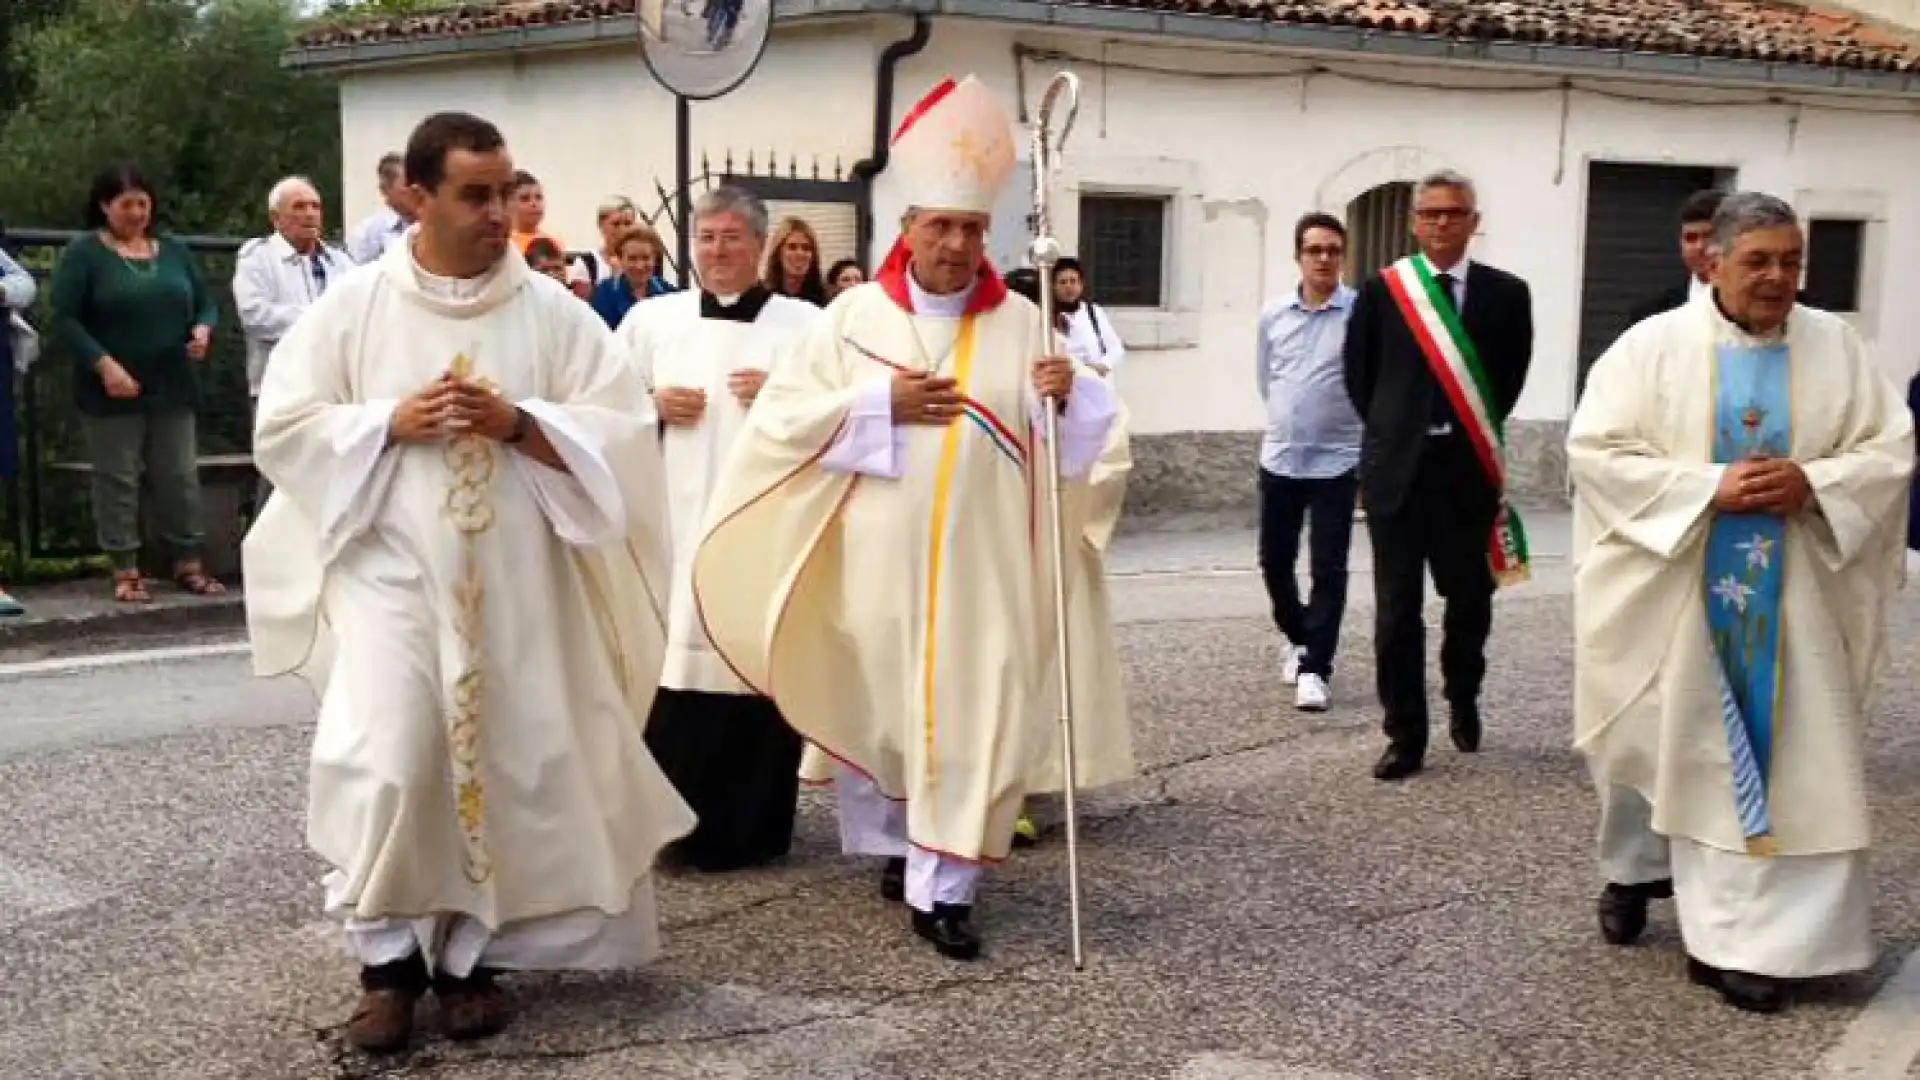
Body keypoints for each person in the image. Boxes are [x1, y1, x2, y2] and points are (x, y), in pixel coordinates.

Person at [242, 110, 695, 1053]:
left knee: (500, 761)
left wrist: (521, 423)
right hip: (390, 578)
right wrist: (386, 424)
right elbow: (283, 427)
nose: (499, 214)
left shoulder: (553, 313)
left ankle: (468, 963)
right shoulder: (353, 307)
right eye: (475, 195)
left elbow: (619, 429)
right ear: (416, 195)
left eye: (505, 191)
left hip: (519, 581)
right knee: (395, 755)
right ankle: (385, 965)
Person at [690, 74, 1127, 961]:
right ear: (909, 228)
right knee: (888, 713)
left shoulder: (1024, 324)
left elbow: (1086, 447)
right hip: (875, 566)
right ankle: (905, 847)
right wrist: (881, 402)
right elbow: (782, 425)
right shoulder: (851, 318)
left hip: (987, 571)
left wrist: (1067, 393)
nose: (958, 244)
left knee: (979, 711)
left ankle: (948, 889)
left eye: (971, 229)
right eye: (941, 226)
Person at [1568, 191, 1912, 1015]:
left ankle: (1760, 944)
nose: (1778, 277)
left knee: (1789, 759)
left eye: (1791, 260)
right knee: (1676, 749)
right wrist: (1706, 487)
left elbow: (1889, 447)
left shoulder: (1838, 344)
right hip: (1680, 591)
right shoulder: (1651, 347)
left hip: (1797, 597)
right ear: (1711, 260)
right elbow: (1597, 451)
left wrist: (1815, 483)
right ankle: (1641, 879)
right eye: (1758, 260)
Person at [619, 185, 821, 872]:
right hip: (674, 527)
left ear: (760, 245)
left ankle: (752, 828)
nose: (718, 250)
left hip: (763, 529)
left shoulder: (805, 326)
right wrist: (648, 406)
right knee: (675, 673)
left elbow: (837, 413)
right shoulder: (651, 321)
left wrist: (784, 399)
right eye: (706, 238)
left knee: (754, 670)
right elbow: (599, 411)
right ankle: (670, 829)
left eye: (733, 237)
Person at [1342, 168, 1533, 782]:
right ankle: (1405, 734)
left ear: (1474, 222)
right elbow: (1359, 377)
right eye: (1431, 213)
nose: (1442, 223)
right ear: (1413, 221)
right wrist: (1395, 435)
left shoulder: (1508, 294)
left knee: (1470, 599)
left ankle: (1464, 693)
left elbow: (1507, 380)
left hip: (1466, 475)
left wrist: (1465, 430)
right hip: (1398, 475)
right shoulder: (1382, 292)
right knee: (1397, 611)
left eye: (1454, 213)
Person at [49, 162, 225, 604]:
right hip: (112, 386)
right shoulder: (85, 254)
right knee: (118, 477)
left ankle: (188, 561)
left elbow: (206, 303)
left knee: (179, 474)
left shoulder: (173, 251)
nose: (136, 212)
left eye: (143, 203)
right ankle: (126, 567)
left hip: (172, 382)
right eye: (126, 204)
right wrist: (103, 364)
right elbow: (65, 317)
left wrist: (202, 330)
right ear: (105, 205)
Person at [1256, 212, 1361, 712]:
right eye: (1314, 249)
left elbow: (1367, 385)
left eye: (1332, 250)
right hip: (1280, 458)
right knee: (1274, 562)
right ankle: (1299, 636)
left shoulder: (1360, 314)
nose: (1323, 258)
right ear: (1298, 255)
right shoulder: (1273, 315)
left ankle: (1316, 667)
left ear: (1342, 257)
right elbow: (1266, 379)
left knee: (1328, 568)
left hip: (1337, 463)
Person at [234, 175, 354, 512]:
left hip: (335, 385)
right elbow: (256, 316)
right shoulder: (257, 258)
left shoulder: (341, 262)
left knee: (334, 472)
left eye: (315, 206)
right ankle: (263, 557)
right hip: (279, 384)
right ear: (276, 218)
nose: (310, 214)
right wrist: (319, 319)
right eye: (298, 207)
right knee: (279, 474)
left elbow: (357, 315)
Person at [1627, 189, 1725, 327]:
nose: (1700, 246)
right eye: (1690, 238)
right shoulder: (1650, 314)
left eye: (1710, 236)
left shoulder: (1756, 308)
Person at [1050, 257, 1125, 376]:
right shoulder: (1047, 318)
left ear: (1081, 284)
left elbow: (1115, 348)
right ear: (1054, 286)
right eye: (1063, 282)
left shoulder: (1094, 313)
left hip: (1096, 383)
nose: (1068, 286)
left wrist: (1103, 365)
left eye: (1073, 281)